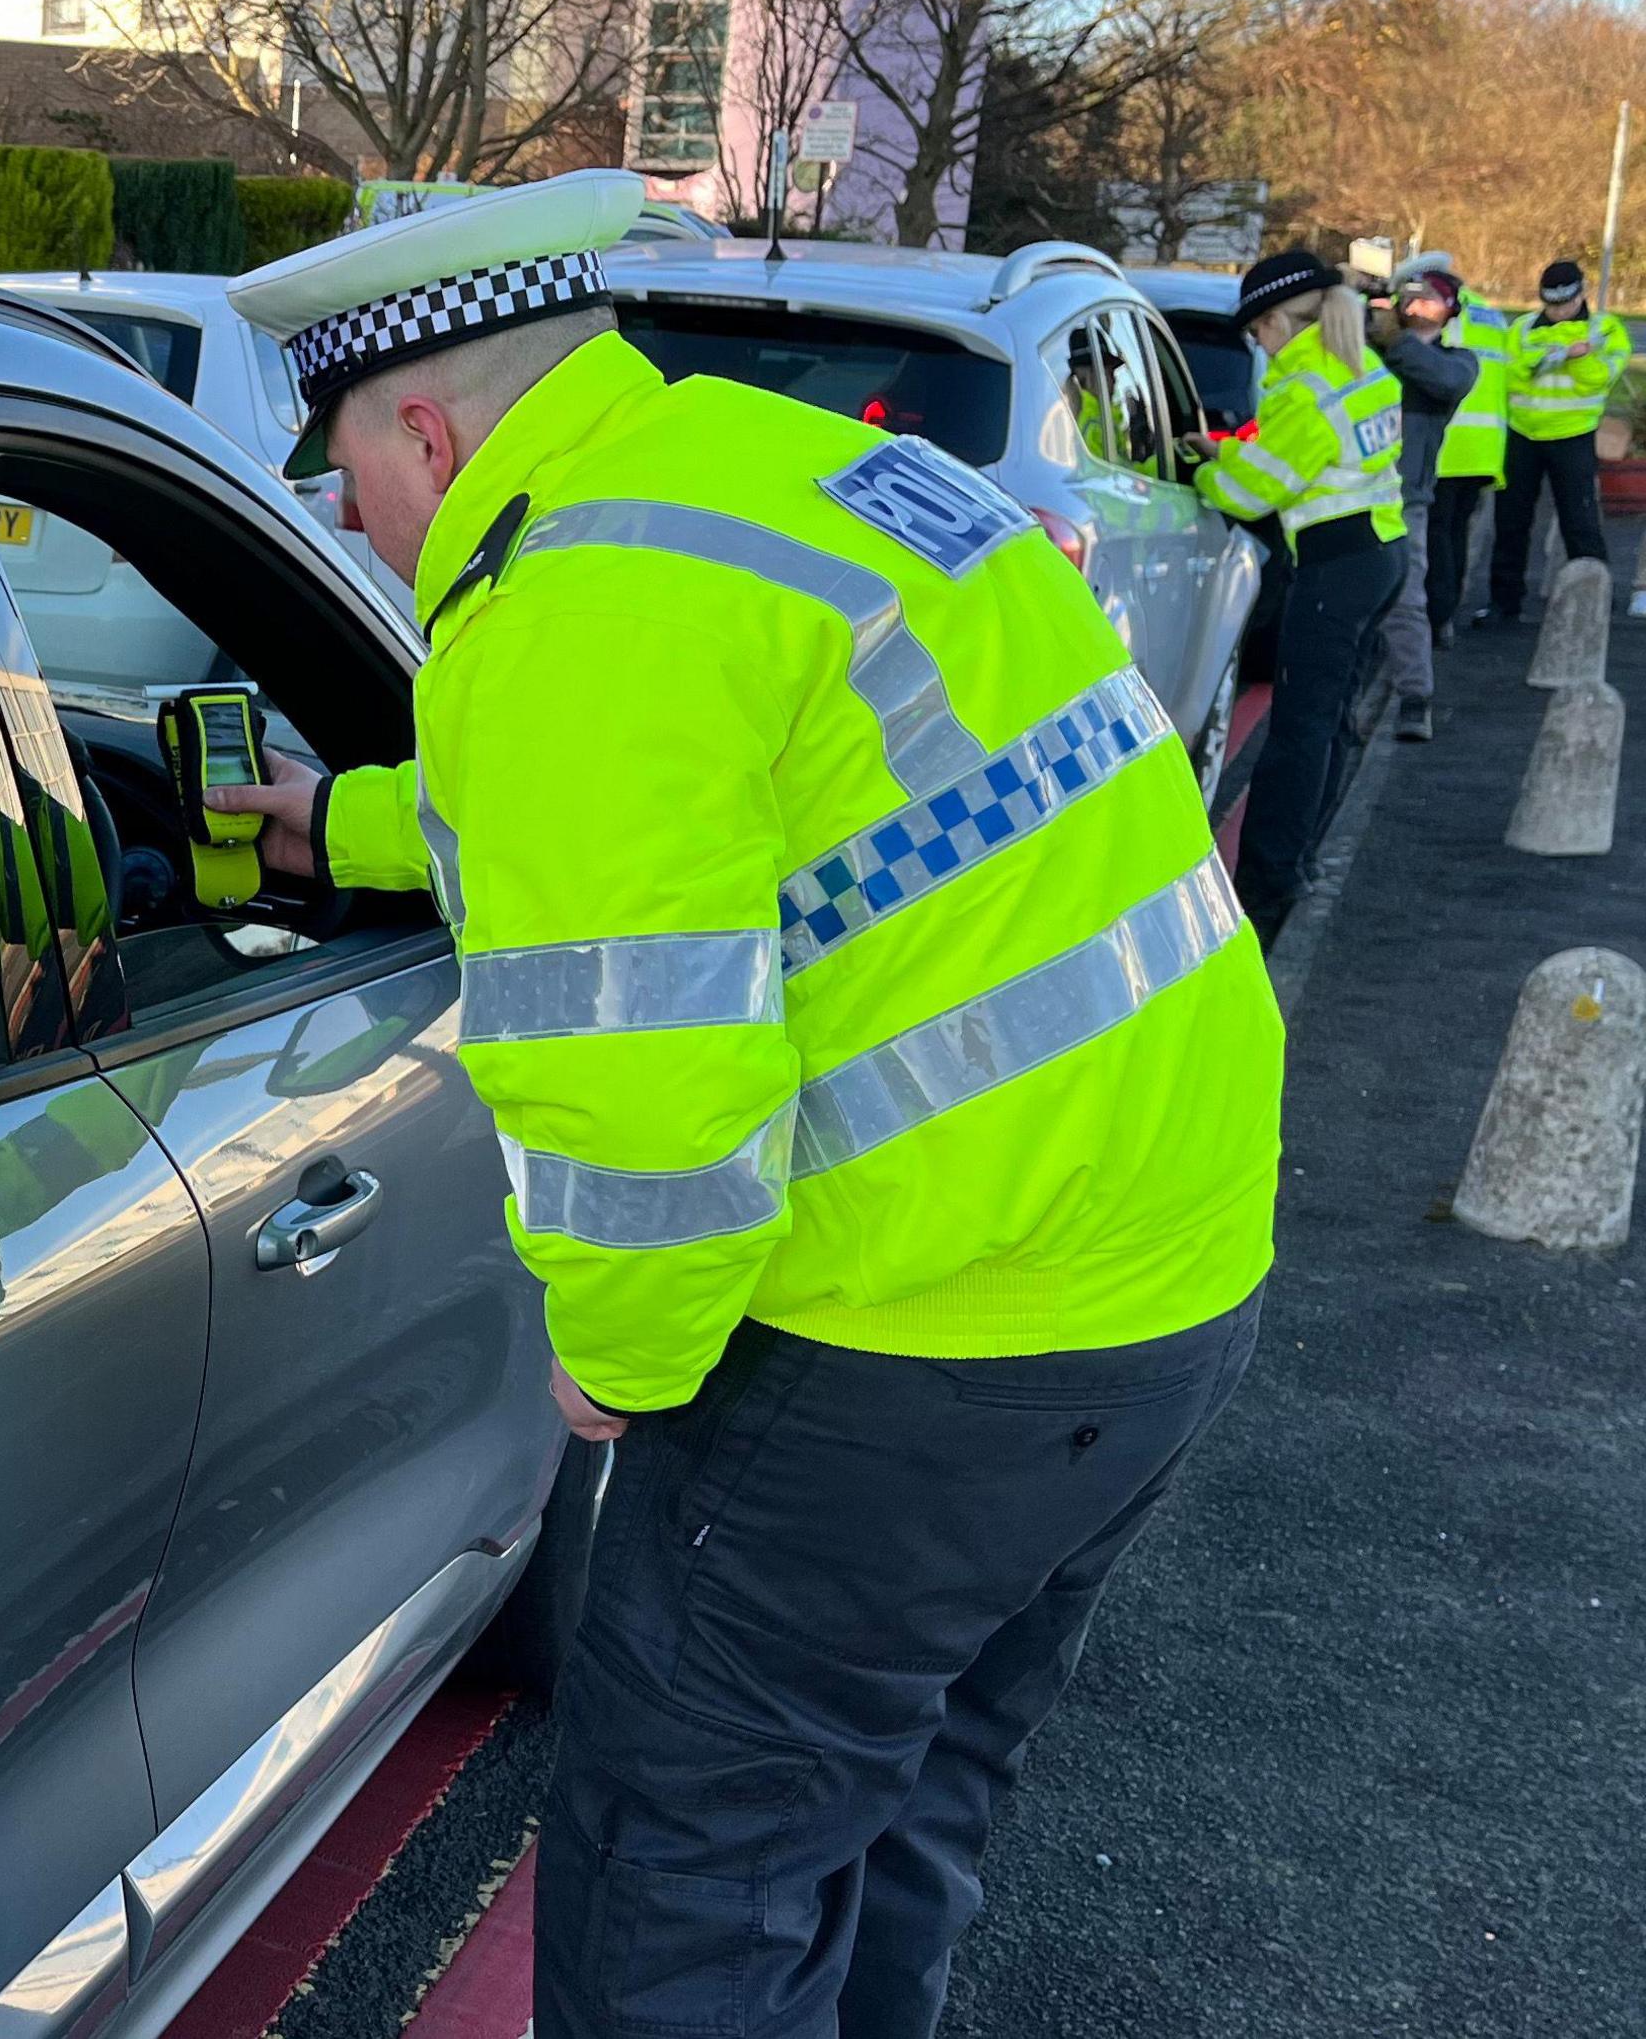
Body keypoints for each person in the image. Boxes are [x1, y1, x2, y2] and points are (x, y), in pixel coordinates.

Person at [208, 170, 1281, 2039]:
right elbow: (732, 832)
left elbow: (650, 1101)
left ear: (429, 430)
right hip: (1166, 1278)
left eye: (350, 476)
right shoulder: (801, 482)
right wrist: (332, 822)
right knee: (903, 1798)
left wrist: (617, 1364)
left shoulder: (568, 609)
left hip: (907, 1346)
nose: (357, 527)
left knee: (690, 1881)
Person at [1193, 251, 1408, 943]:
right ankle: (1300, 859)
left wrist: (1202, 473)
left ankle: (1264, 884)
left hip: (1334, 568)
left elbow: (1258, 491)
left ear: (1284, 319)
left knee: (1296, 733)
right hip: (1380, 553)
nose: (1258, 342)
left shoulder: (1300, 387)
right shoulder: (1358, 365)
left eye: (1260, 329)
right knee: (1331, 721)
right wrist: (1226, 450)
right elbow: (1295, 461)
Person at [1486, 258, 1631, 620]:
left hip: (1573, 436)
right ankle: (1504, 603)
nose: (1559, 312)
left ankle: (1593, 600)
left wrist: (1574, 358)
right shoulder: (1519, 328)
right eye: (1552, 305)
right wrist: (1562, 354)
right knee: (1511, 522)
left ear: (1582, 294)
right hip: (1522, 435)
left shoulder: (1606, 330)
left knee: (1580, 522)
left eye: (1566, 303)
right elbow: (1511, 375)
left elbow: (1599, 378)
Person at [1372, 266, 1477, 736]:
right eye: (1410, 295)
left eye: (1429, 296)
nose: (1416, 302)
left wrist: (1396, 340)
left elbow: (1444, 381)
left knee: (1406, 599)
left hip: (1405, 497)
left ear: (1450, 309)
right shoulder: (1377, 350)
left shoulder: (1456, 362)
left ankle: (1416, 696)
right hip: (1358, 491)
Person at [1394, 255, 1510, 640]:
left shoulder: (1412, 337)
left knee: (1435, 544)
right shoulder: (1491, 315)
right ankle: (1442, 619)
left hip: (1444, 452)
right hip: (1481, 449)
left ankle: (1435, 619)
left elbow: (1443, 374)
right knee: (1453, 540)